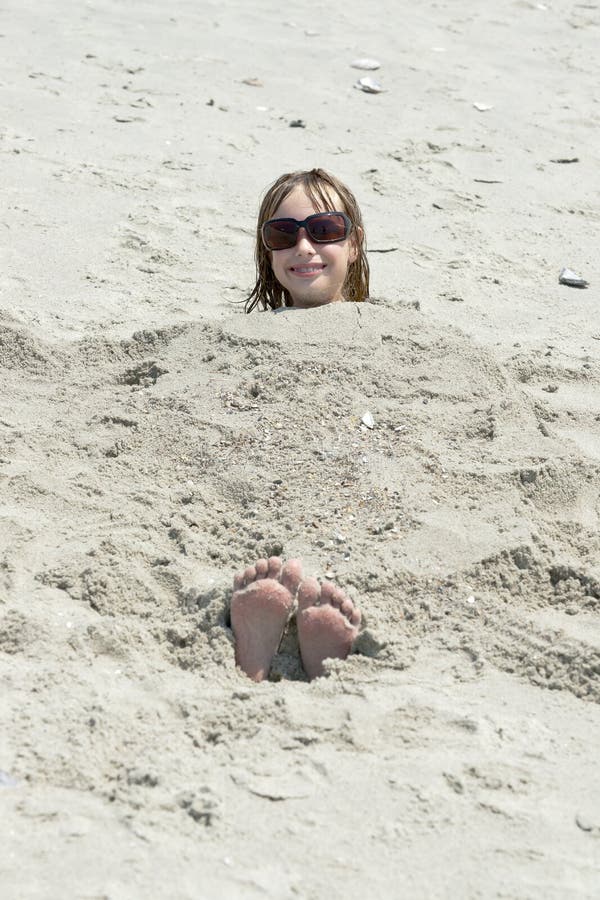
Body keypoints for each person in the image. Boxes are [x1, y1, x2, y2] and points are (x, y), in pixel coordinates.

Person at [232, 170, 367, 681]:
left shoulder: (404, 333)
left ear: (354, 245)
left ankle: (302, 658)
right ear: (268, 252)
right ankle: (256, 653)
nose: (304, 246)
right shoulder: (233, 338)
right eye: (283, 234)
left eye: (326, 229)